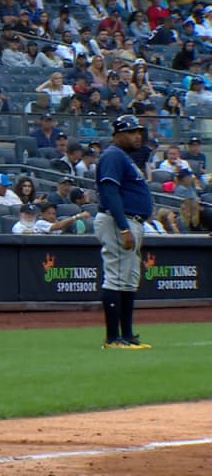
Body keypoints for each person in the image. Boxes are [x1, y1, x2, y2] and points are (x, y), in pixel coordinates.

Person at [95, 115, 154, 349]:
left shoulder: (124, 157)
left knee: (129, 280)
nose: (137, 135)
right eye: (131, 132)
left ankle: (127, 335)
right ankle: (112, 338)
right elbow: (110, 193)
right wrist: (123, 227)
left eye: (138, 131)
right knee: (116, 277)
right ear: (118, 134)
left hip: (131, 220)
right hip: (118, 221)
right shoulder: (112, 155)